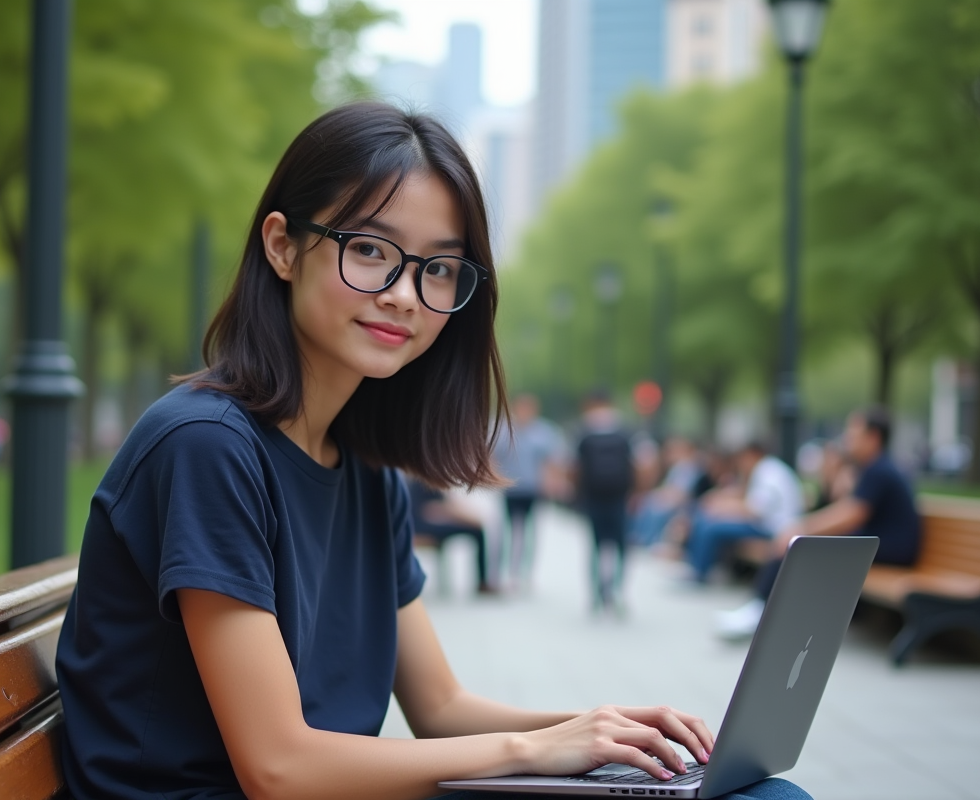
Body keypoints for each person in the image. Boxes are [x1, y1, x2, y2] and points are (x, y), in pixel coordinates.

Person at [54, 102, 808, 800]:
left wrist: (603, 732)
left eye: (438, 268)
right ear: (284, 247)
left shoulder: (363, 469)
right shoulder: (206, 448)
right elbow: (278, 767)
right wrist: (531, 750)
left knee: (756, 793)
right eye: (373, 250)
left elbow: (440, 707)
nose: (405, 294)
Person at [717, 408, 922, 640]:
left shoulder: (879, 470)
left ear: (873, 437)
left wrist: (801, 528)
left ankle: (760, 611)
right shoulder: (873, 469)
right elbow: (849, 510)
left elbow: (852, 514)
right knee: (799, 544)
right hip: (876, 544)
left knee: (799, 544)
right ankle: (760, 609)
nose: (847, 439)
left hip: (892, 549)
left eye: (853, 433)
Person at [684, 442, 805, 584]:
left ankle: (699, 574)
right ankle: (697, 568)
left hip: (775, 530)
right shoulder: (768, 468)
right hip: (767, 525)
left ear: (752, 454)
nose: (741, 464)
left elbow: (756, 509)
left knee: (711, 527)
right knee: (708, 519)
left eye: (743, 459)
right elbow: (750, 498)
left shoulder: (767, 471)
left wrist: (723, 508)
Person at [492, 393, 563, 589]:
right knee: (508, 531)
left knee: (531, 531)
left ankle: (526, 571)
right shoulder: (503, 429)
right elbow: (492, 457)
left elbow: (552, 461)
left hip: (533, 488)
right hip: (511, 488)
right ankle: (507, 571)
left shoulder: (544, 431)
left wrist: (551, 482)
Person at [576, 390, 635, 612]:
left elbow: (575, 466)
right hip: (619, 495)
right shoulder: (624, 430)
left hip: (593, 496)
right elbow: (640, 463)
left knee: (595, 545)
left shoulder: (585, 430)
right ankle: (618, 590)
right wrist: (636, 492)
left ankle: (596, 594)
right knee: (621, 545)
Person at [406, 473, 499, 595]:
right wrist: (470, 519)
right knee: (477, 530)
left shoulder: (426, 477)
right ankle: (482, 582)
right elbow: (437, 509)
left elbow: (444, 506)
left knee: (477, 530)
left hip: (429, 524)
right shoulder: (426, 479)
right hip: (423, 527)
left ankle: (483, 581)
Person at [631, 436, 703, 547]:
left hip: (683, 506)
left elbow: (681, 494)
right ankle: (642, 538)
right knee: (647, 502)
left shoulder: (688, 468)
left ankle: (649, 541)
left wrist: (662, 497)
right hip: (671, 500)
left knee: (655, 509)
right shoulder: (677, 467)